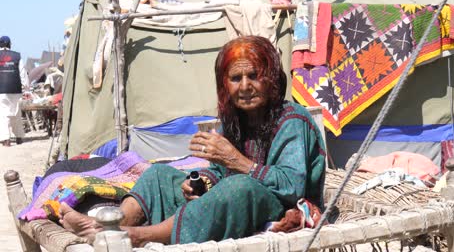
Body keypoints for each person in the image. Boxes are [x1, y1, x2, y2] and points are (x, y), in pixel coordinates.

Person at [59, 35, 326, 247]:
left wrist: (237, 161)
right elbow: (220, 170)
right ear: (225, 85)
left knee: (240, 187)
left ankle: (138, 236)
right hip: (242, 192)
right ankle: (111, 226)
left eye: (254, 76)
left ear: (272, 81)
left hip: (283, 205)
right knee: (160, 174)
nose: (245, 86)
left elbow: (293, 186)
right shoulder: (236, 118)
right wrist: (203, 181)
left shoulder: (291, 120)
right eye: (235, 78)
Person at [0, 36, 28, 146]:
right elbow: (23, 72)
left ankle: (6, 139)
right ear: (9, 44)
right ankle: (19, 137)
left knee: (3, 114)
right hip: (16, 89)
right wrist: (26, 86)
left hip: (1, 91)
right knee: (16, 113)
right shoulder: (17, 55)